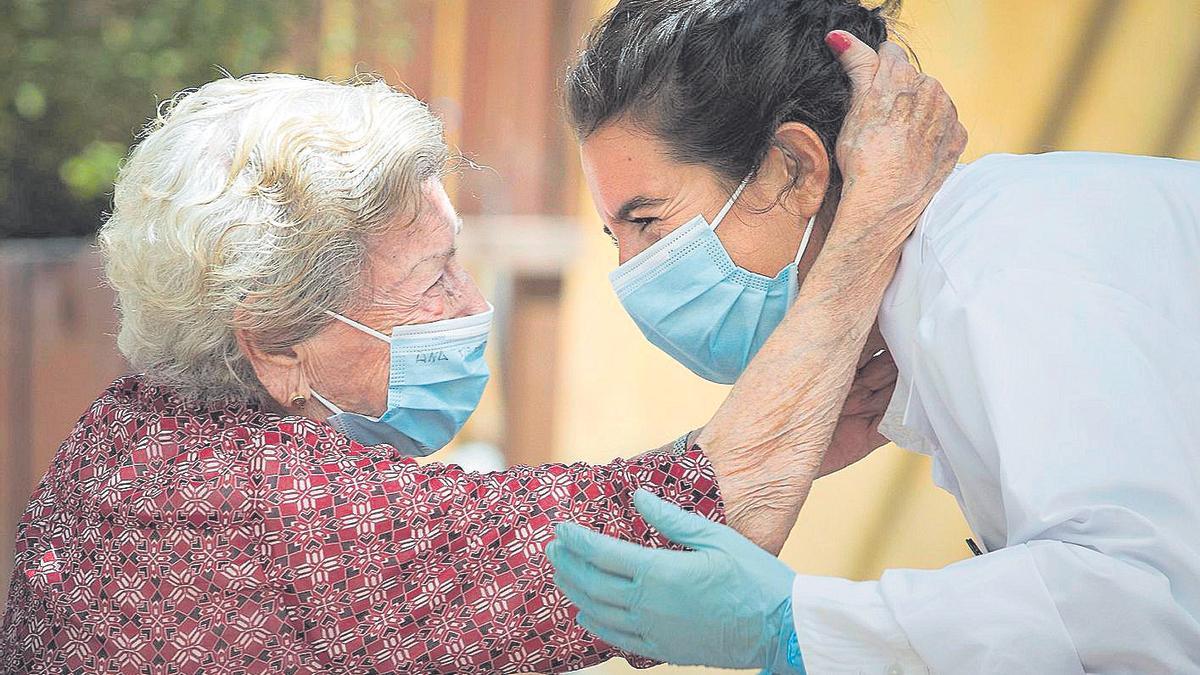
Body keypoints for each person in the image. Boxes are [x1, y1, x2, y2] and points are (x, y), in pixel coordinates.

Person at [0, 46, 962, 674]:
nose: (469, 309)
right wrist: (868, 227)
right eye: (431, 281)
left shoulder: (132, 431)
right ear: (274, 342)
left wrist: (794, 429)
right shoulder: (266, 502)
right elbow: (678, 531)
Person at [548, 0, 1200, 672]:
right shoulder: (942, 297)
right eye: (615, 237)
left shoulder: (991, 264)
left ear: (792, 169)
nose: (632, 271)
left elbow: (1137, 604)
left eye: (650, 222)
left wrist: (798, 623)